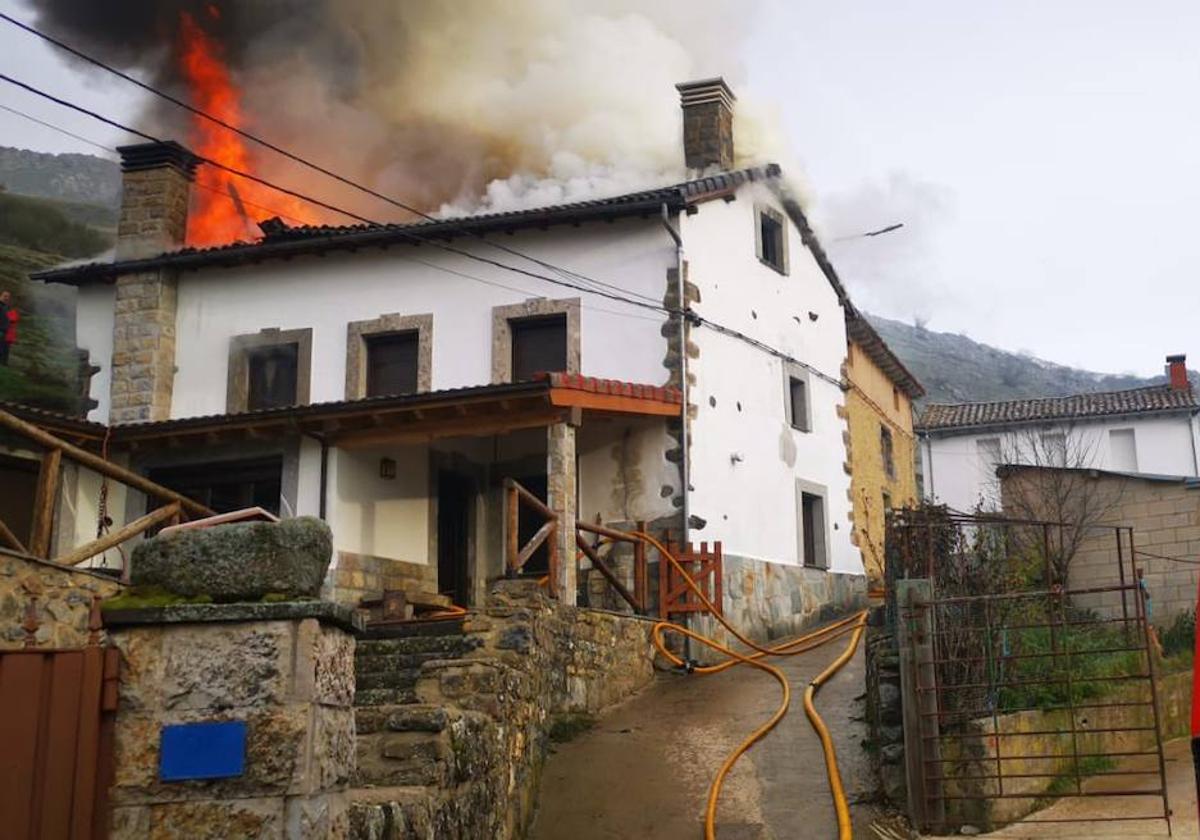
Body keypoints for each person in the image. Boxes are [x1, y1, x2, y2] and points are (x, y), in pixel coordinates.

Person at [0, 290, 16, 366]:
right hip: (1, 330)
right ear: (1, 296)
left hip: (6, 332)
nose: (6, 298)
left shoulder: (7, 307)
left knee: (5, 349)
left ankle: (3, 365)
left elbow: (12, 319)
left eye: (8, 297)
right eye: (5, 296)